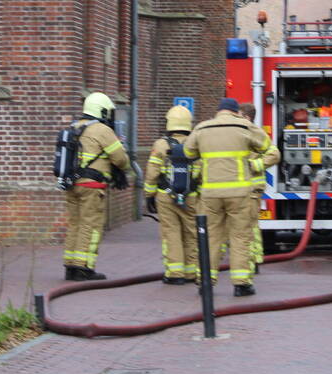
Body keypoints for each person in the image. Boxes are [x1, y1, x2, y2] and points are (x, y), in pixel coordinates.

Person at [184, 98, 271, 297]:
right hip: (239, 193)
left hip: (210, 193)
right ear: (235, 111)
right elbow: (272, 151)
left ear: (219, 111)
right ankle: (241, 284)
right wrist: (255, 165)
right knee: (240, 237)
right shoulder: (245, 126)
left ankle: (205, 282)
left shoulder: (202, 128)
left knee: (211, 238)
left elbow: (188, 152)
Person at [62, 92, 130, 281]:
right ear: (102, 111)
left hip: (71, 183)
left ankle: (70, 264)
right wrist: (124, 167)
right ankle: (84, 267)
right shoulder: (101, 130)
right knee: (90, 225)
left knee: (75, 222)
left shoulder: (74, 127)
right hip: (92, 185)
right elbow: (120, 159)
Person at [143, 105, 199, 285]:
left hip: (165, 196)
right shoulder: (195, 143)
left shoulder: (160, 144)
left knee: (171, 233)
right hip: (192, 196)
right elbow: (203, 171)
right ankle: (192, 272)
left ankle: (175, 274)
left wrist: (149, 195)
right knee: (192, 233)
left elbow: (152, 173)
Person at [240, 101, 280, 273]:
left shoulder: (254, 134)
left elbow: (273, 154)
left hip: (252, 187)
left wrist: (254, 165)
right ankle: (249, 258)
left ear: (247, 117)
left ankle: (254, 260)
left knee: (250, 227)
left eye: (239, 115)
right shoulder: (240, 133)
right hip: (240, 187)